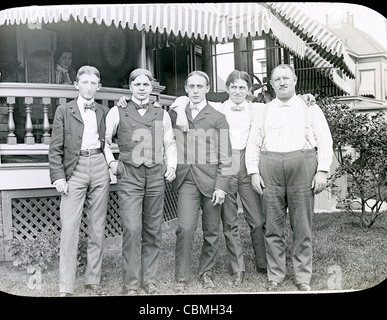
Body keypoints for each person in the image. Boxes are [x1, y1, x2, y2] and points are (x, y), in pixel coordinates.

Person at [170, 70, 268, 286]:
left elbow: (225, 155)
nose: (238, 91)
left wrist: (305, 99)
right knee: (206, 224)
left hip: (233, 170)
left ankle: (255, 265)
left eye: (242, 87)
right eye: (233, 87)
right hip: (204, 172)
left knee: (239, 224)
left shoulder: (241, 112)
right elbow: (179, 102)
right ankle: (192, 275)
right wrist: (178, 109)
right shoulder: (199, 110)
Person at [245, 64, 333, 291]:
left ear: (295, 80)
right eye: (277, 79)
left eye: (286, 78)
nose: (282, 82)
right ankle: (275, 274)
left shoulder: (310, 108)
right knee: (273, 225)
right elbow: (253, 144)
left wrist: (322, 169)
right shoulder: (263, 110)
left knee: (301, 226)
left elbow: (325, 140)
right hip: (270, 169)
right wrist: (253, 172)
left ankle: (303, 277)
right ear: (271, 84)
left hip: (302, 167)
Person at [104, 68, 177, 295]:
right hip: (130, 176)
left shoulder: (161, 113)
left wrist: (172, 165)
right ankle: (131, 284)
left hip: (155, 176)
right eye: (138, 85)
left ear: (151, 88)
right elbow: (104, 142)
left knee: (153, 230)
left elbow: (170, 143)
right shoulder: (117, 112)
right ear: (131, 87)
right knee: (133, 229)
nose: (142, 89)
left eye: (146, 85)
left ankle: (150, 280)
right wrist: (111, 163)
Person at [169, 71, 232, 293]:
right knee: (185, 228)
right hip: (187, 179)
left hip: (212, 181)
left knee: (211, 231)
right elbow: (167, 106)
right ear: (186, 89)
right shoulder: (177, 112)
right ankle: (181, 277)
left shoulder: (217, 117)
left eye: (200, 87)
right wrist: (179, 108)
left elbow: (226, 156)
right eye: (191, 87)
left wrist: (221, 186)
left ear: (207, 89)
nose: (196, 91)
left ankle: (207, 273)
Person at [49, 65, 110, 297]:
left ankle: (93, 281)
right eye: (84, 82)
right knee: (70, 228)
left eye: (94, 83)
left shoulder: (103, 111)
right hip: (74, 169)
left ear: (99, 87)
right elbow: (55, 148)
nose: (89, 87)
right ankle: (66, 287)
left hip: (99, 165)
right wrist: (58, 176)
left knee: (97, 225)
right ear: (76, 85)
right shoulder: (63, 111)